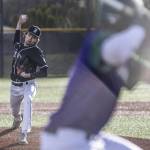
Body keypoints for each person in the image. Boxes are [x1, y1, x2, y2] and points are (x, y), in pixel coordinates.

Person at [41, 0, 150, 149]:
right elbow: (117, 52)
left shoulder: (120, 51)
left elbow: (144, 72)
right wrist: (140, 28)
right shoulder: (98, 40)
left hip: (87, 137)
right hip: (67, 140)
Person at [10, 14, 48, 144]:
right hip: (14, 86)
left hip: (28, 85)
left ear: (37, 41)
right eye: (30, 35)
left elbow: (44, 71)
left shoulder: (36, 51)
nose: (32, 39)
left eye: (35, 38)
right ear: (26, 35)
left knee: (28, 100)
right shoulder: (18, 45)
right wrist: (19, 22)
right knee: (14, 109)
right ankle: (17, 118)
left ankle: (23, 133)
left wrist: (29, 75)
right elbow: (16, 34)